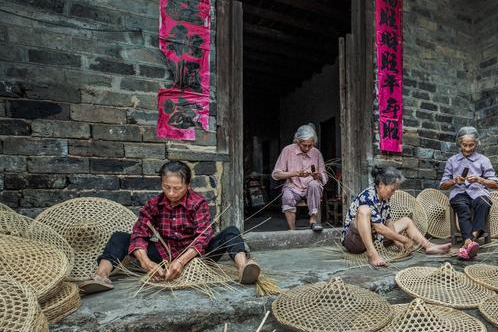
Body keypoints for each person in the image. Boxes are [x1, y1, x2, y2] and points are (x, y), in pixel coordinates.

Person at [78, 161, 260, 294]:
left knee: (231, 232)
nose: (171, 193)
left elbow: (203, 237)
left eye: (177, 188)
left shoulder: (198, 203)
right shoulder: (154, 204)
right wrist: (145, 262)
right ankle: (101, 276)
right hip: (164, 255)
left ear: (188, 185)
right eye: (167, 187)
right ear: (161, 184)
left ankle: (244, 268)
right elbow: (139, 232)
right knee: (120, 237)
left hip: (197, 256)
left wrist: (181, 262)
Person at [342, 166, 452, 267]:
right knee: (364, 210)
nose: (393, 193)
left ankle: (428, 246)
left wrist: (397, 242)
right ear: (381, 184)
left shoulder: (385, 198)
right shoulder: (367, 196)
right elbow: (379, 227)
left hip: (375, 237)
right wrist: (404, 239)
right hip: (355, 240)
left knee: (406, 221)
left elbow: (388, 222)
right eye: (392, 190)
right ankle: (372, 254)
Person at [439, 126, 498, 260]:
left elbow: (496, 184)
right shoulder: (452, 161)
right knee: (462, 207)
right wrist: (455, 181)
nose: (467, 149)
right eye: (464, 145)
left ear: (476, 143)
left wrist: (480, 179)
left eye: (471, 145)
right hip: (459, 193)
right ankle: (471, 241)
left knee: (484, 203)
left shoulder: (484, 160)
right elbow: (443, 185)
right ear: (459, 143)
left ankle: (469, 240)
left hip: (478, 192)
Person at [272, 124, 328, 231]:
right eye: (304, 145)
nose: (307, 148)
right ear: (298, 141)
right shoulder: (287, 150)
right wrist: (296, 173)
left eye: (310, 145)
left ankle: (313, 220)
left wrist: (318, 175)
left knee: (314, 184)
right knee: (287, 196)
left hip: (310, 187)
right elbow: (276, 174)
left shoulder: (316, 153)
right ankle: (292, 230)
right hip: (293, 187)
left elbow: (324, 175)